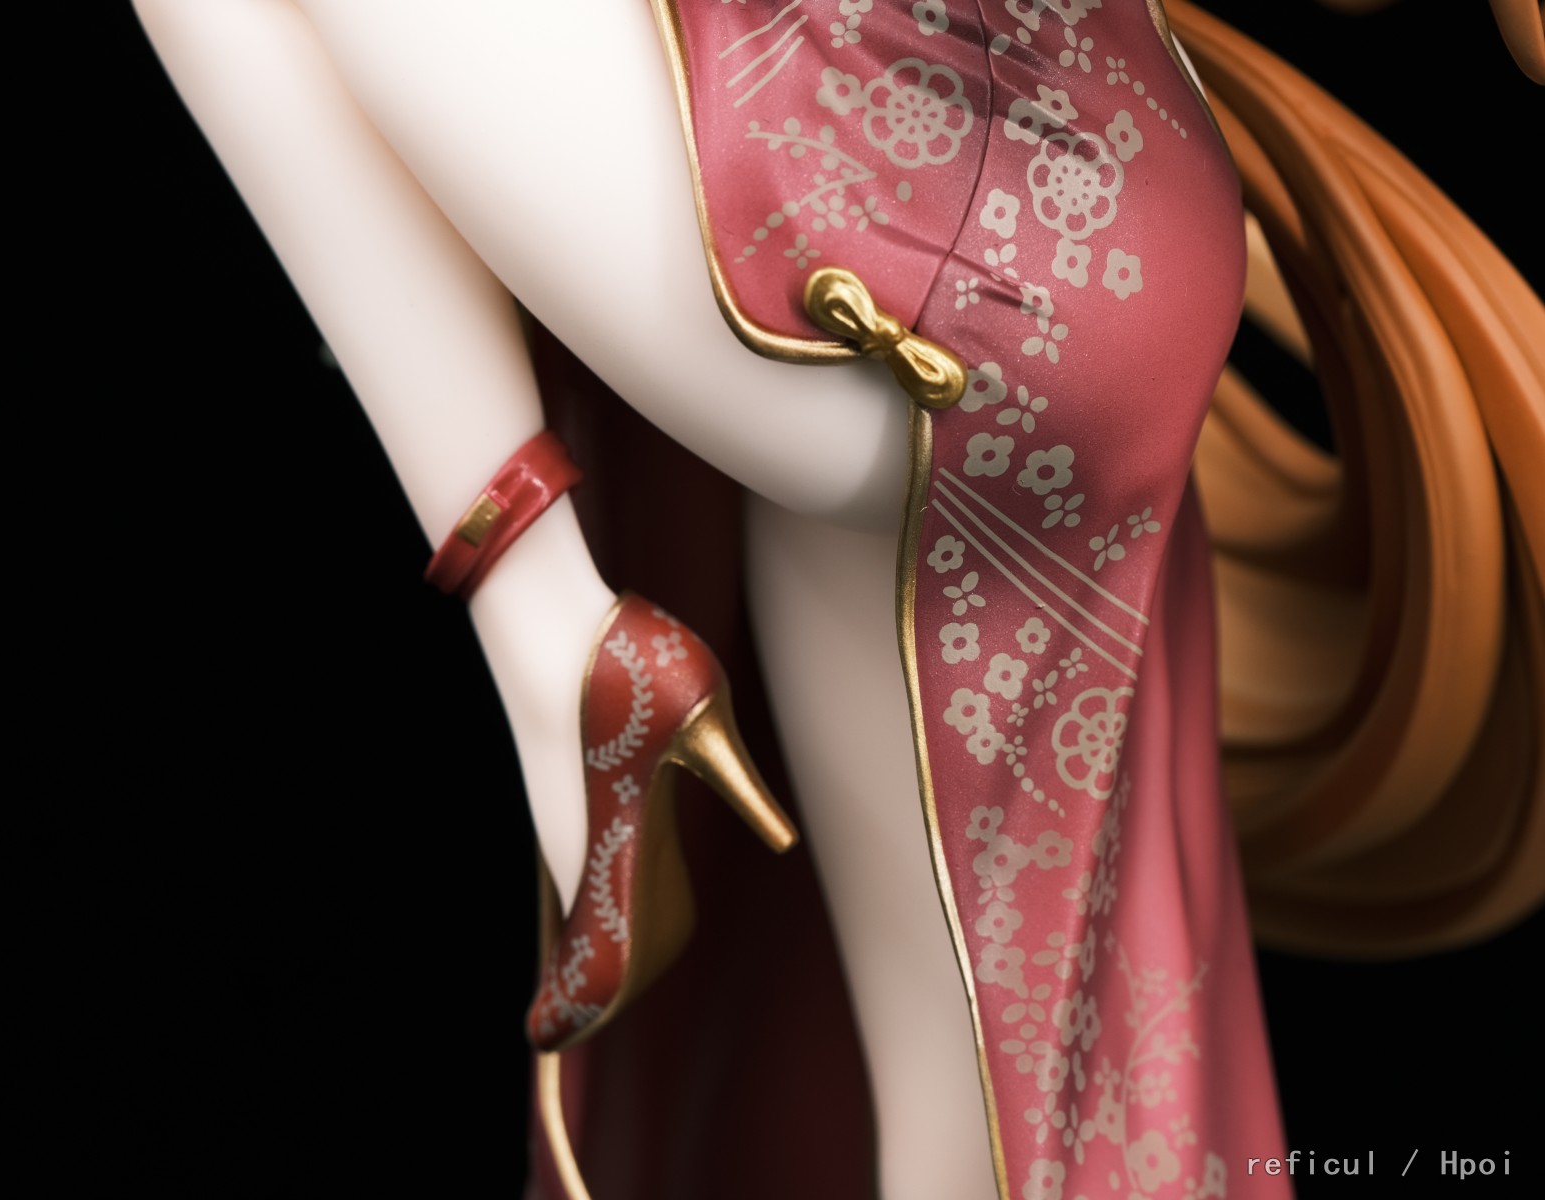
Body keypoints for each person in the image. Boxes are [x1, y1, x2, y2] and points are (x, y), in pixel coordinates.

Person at [130, 2, 1542, 1195]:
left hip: (946, 213)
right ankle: (552, 641)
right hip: (1031, 217)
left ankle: (551, 637)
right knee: (947, 1123)